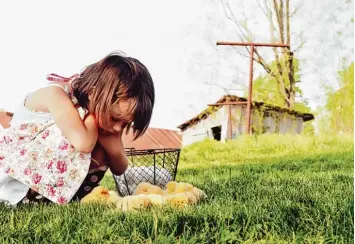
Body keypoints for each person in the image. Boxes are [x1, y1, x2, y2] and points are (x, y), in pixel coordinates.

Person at [0, 51, 155, 205]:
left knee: (100, 139)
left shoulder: (103, 112)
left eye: (126, 123)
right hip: (16, 183)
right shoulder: (54, 94)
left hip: (49, 182)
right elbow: (83, 143)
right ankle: (35, 198)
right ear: (94, 94)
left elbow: (120, 168)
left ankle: (70, 197)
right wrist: (93, 121)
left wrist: (112, 146)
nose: (117, 128)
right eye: (115, 119)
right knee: (83, 135)